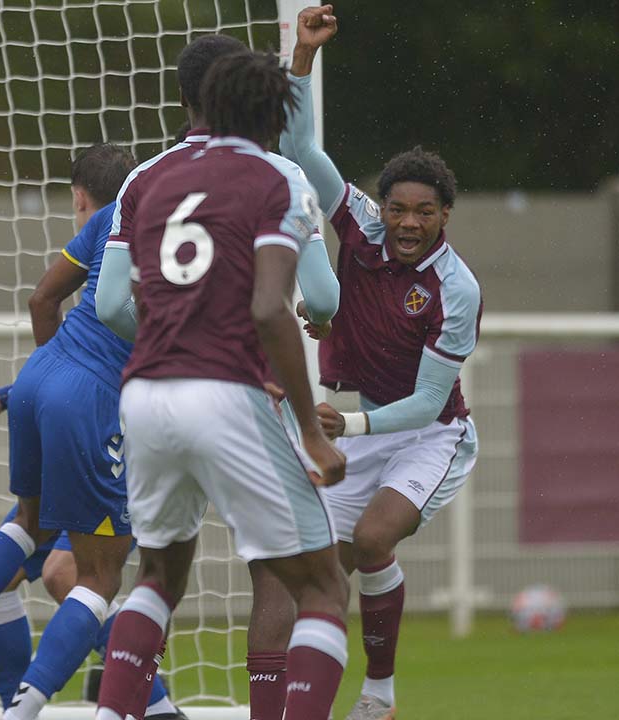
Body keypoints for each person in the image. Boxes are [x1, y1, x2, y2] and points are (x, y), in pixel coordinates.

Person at [95, 51, 350, 720]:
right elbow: (274, 308)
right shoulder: (279, 178)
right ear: (271, 115)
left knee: (157, 577)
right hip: (228, 391)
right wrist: (312, 429)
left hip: (146, 390)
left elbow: (123, 300)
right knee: (322, 587)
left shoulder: (148, 178)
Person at [0, 144, 187, 720]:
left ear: (80, 199)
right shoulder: (209, 234)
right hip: (100, 408)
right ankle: (31, 711)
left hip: (44, 379)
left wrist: (25, 391)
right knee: (94, 575)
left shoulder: (117, 215)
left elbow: (43, 298)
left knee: (34, 540)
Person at [281, 7, 482, 719]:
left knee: (370, 539)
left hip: (430, 434)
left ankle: (380, 693)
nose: (405, 222)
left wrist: (352, 426)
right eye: (398, 207)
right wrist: (302, 56)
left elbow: (428, 405)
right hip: (357, 420)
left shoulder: (455, 289)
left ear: (444, 216)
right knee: (314, 575)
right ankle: (305, 703)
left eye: (423, 212)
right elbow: (301, 146)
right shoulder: (359, 223)